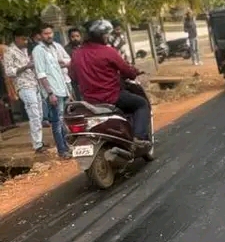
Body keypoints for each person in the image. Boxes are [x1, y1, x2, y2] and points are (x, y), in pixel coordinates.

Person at [71, 19, 150, 147]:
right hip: (112, 97)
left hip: (90, 102)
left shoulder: (76, 54)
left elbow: (72, 76)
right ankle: (138, 137)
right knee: (141, 104)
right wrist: (134, 72)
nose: (108, 37)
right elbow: (126, 70)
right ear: (100, 36)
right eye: (106, 34)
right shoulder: (108, 51)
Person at [3, 28, 47, 154]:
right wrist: (25, 67)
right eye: (23, 39)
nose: (26, 41)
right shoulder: (9, 52)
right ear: (16, 38)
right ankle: (37, 145)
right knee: (34, 115)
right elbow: (9, 72)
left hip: (34, 84)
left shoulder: (25, 50)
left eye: (26, 38)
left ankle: (39, 141)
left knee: (39, 114)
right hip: (24, 86)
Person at [32, 25, 72, 159]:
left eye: (50, 33)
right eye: (45, 33)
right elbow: (41, 74)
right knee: (56, 122)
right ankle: (62, 151)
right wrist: (50, 93)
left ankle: (66, 147)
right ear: (40, 35)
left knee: (62, 120)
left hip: (61, 89)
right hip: (52, 91)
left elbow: (59, 69)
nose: (49, 36)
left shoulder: (53, 47)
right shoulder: (38, 50)